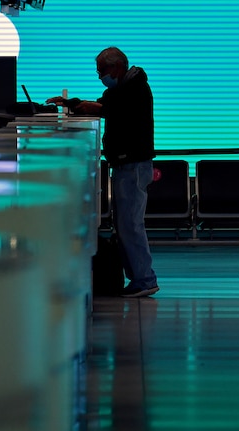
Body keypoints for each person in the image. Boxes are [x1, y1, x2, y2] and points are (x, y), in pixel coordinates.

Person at [47, 46, 159, 298]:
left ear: (116, 66)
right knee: (126, 223)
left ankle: (144, 278)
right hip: (127, 164)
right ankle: (139, 278)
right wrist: (75, 104)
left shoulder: (133, 89)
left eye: (102, 71)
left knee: (130, 224)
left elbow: (101, 107)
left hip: (132, 164)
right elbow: (101, 104)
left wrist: (72, 105)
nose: (100, 76)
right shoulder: (127, 87)